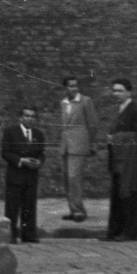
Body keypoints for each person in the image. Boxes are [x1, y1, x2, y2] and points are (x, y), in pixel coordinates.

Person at [105, 78, 137, 241]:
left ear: (129, 92)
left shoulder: (136, 110)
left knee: (129, 195)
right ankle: (115, 230)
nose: (116, 94)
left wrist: (115, 139)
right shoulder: (119, 109)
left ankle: (130, 232)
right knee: (117, 195)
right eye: (114, 91)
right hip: (118, 160)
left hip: (130, 162)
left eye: (120, 91)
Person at [58, 77, 101, 222]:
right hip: (66, 146)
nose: (74, 88)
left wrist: (90, 143)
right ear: (65, 88)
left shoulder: (85, 101)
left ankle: (78, 211)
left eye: (76, 86)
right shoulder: (63, 103)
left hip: (79, 145)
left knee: (73, 177)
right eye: (70, 86)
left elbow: (93, 123)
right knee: (66, 179)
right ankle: (73, 209)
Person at [1, 105, 45, 243]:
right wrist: (21, 160)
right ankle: (12, 235)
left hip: (31, 176)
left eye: (32, 116)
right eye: (27, 116)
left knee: (29, 206)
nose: (30, 119)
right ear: (20, 117)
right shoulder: (10, 132)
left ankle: (29, 234)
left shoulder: (38, 134)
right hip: (15, 175)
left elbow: (41, 153)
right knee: (12, 207)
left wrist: (39, 162)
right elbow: (5, 153)